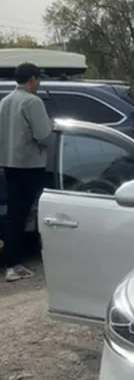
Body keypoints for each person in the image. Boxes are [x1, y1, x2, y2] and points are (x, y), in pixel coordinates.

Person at [0, 62, 53, 282]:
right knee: (32, 213)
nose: (38, 84)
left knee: (14, 214)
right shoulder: (32, 101)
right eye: (38, 80)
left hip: (9, 164)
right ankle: (15, 264)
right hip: (30, 165)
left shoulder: (5, 101)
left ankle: (11, 261)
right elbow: (43, 135)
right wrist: (50, 126)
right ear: (32, 79)